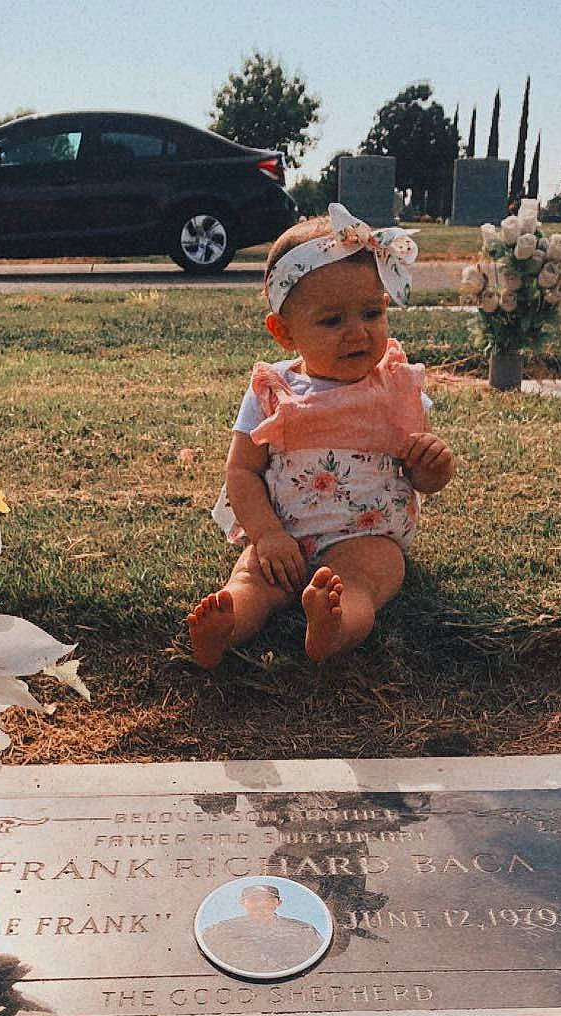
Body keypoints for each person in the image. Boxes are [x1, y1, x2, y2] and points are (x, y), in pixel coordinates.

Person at [187, 203, 455, 668]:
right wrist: (267, 536)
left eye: (371, 312)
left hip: (366, 535)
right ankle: (226, 626)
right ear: (284, 332)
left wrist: (432, 464)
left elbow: (419, 475)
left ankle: (333, 628)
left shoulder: (396, 386)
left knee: (361, 581)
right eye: (332, 320)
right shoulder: (272, 390)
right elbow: (243, 471)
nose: (357, 332)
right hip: (284, 539)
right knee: (253, 580)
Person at [201, 883, 325, 973]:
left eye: (267, 900)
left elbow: (321, 961)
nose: (261, 904)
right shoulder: (221, 930)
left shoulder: (303, 930)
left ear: (278, 903)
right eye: (254, 900)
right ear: (243, 903)